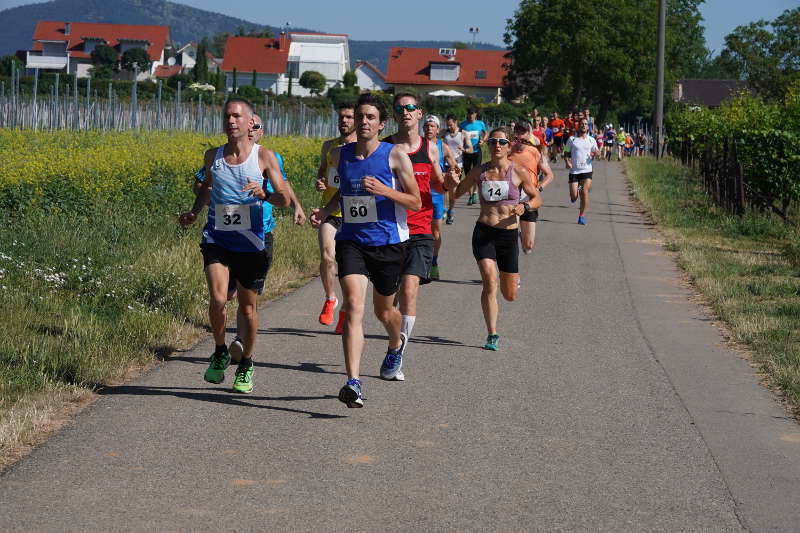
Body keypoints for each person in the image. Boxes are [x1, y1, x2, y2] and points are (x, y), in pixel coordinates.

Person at [310, 92, 421, 408]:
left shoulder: (395, 155)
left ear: (381, 123)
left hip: (388, 243)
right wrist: (325, 210)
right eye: (360, 117)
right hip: (352, 240)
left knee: (384, 312)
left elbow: (415, 201)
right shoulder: (341, 154)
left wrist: (385, 190)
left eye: (371, 117)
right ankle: (353, 382)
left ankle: (395, 342)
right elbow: (343, 192)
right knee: (354, 306)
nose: (364, 122)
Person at [179, 98, 291, 393]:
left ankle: (247, 363)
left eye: (237, 116)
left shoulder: (264, 157)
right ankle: (218, 351)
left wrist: (264, 193)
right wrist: (194, 211)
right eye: (227, 116)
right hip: (217, 237)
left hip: (252, 242)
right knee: (218, 299)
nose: (231, 121)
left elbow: (284, 199)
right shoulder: (212, 156)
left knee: (248, 308)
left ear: (251, 121)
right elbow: (207, 187)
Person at [450, 127, 540, 351]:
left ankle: (513, 280)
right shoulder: (479, 172)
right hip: (484, 233)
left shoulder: (518, 171)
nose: (496, 146)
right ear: (488, 145)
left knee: (509, 295)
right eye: (492, 142)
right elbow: (457, 192)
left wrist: (525, 205)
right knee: (490, 280)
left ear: (509, 146)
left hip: (508, 235)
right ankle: (492, 333)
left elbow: (537, 198)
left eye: (501, 142)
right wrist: (452, 180)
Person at [381, 95, 445, 382]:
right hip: (390, 229)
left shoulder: (429, 148)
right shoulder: (384, 147)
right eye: (399, 108)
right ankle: (395, 341)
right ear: (395, 115)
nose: (405, 112)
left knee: (409, 290)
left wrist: (452, 179)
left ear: (419, 113)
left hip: (420, 229)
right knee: (385, 304)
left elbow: (440, 184)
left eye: (410, 108)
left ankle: (398, 353)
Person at [315, 102, 356, 333]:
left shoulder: (362, 147)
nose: (344, 121)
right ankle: (330, 298)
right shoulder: (329, 146)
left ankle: (345, 311)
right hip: (330, 211)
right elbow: (323, 171)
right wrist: (320, 181)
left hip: (355, 214)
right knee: (327, 258)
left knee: (352, 271)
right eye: (341, 117)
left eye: (349, 117)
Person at [509, 120, 554, 254]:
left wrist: (539, 188)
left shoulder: (535, 151)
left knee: (528, 246)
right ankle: (510, 270)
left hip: (530, 199)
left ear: (529, 134)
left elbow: (549, 175)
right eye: (517, 131)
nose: (520, 135)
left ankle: (521, 237)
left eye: (523, 132)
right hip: (512, 198)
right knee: (509, 238)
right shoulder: (508, 150)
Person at [423, 114, 455, 280]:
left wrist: (448, 175)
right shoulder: (417, 145)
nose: (429, 128)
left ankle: (434, 262)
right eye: (426, 126)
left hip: (436, 194)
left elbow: (455, 168)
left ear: (437, 129)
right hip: (419, 193)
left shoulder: (443, 147)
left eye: (432, 126)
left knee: (435, 231)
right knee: (417, 230)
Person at [566, 118, 600, 225]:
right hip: (574, 171)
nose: (583, 125)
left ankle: (581, 216)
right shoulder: (572, 139)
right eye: (581, 124)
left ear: (587, 126)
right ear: (578, 126)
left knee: (585, 192)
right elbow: (566, 151)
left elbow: (597, 151)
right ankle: (576, 192)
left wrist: (594, 153)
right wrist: (567, 161)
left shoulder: (591, 140)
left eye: (585, 124)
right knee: (574, 196)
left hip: (587, 170)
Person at [443, 114, 471, 224]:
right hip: (445, 163)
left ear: (456, 122)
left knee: (452, 191)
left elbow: (471, 149)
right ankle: (444, 210)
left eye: (451, 125)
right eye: (448, 125)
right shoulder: (444, 133)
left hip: (457, 165)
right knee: (443, 188)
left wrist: (463, 149)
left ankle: (451, 210)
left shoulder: (463, 134)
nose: (449, 127)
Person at [460, 107, 488, 205]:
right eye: (469, 113)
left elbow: (486, 133)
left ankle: (475, 193)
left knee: (476, 173)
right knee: (468, 175)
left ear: (476, 114)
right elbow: (458, 135)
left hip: (477, 151)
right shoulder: (463, 124)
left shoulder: (480, 123)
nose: (471, 115)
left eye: (473, 113)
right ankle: (470, 195)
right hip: (466, 152)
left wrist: (483, 140)